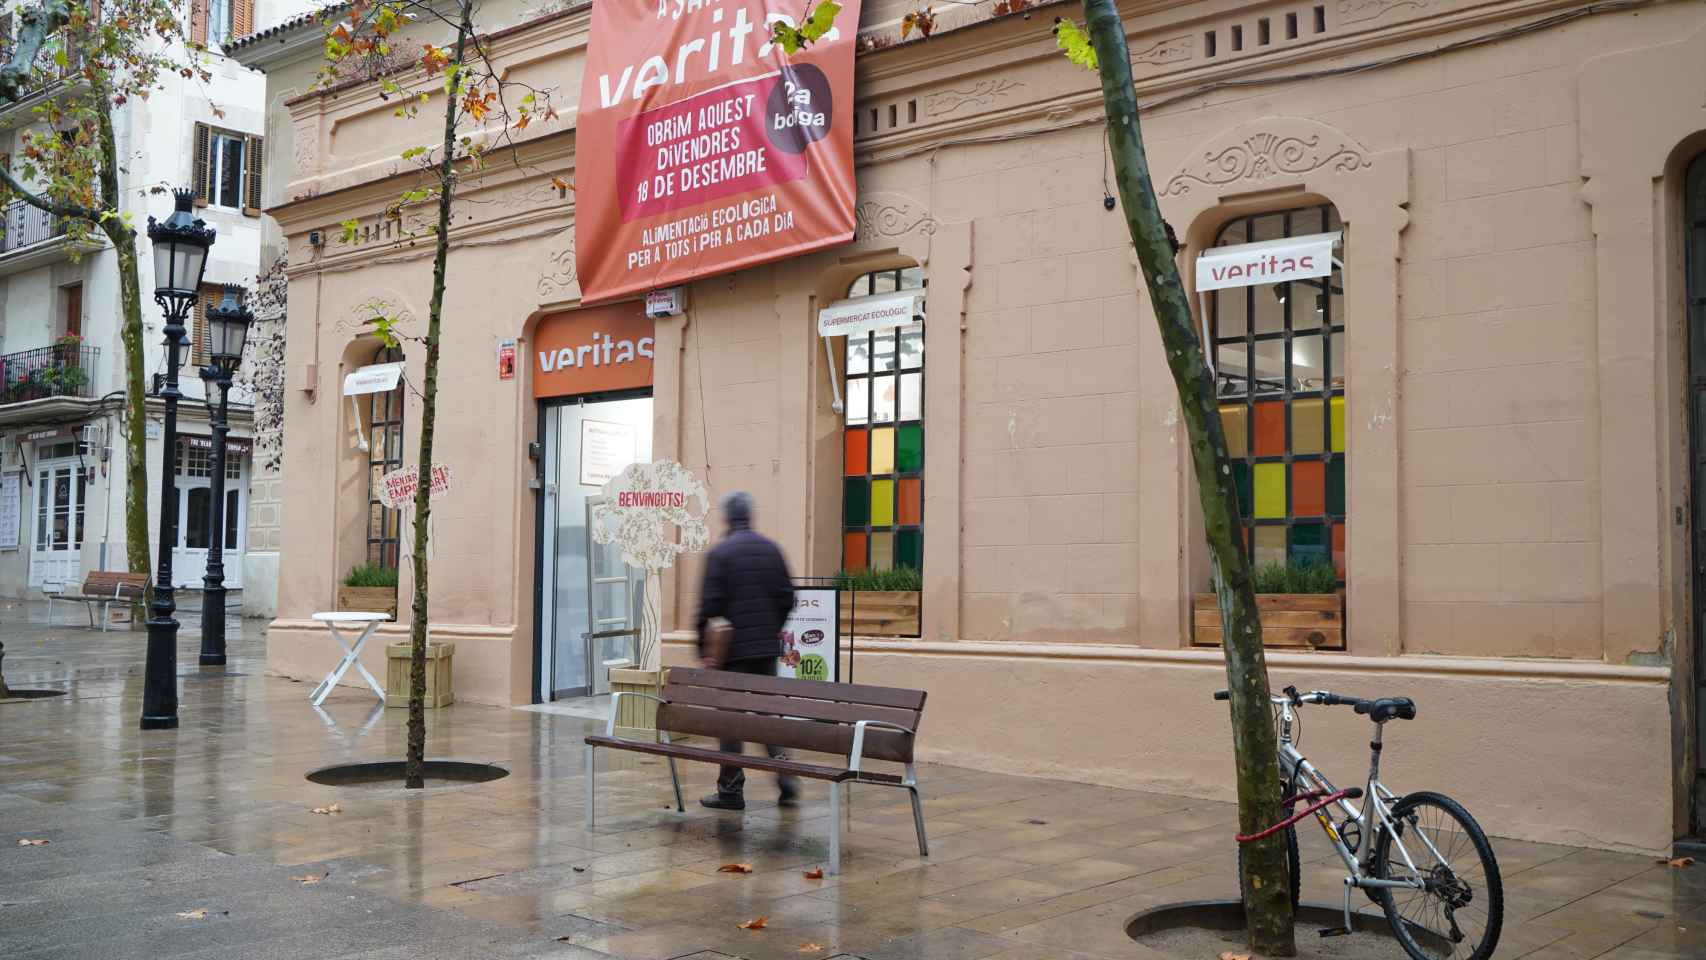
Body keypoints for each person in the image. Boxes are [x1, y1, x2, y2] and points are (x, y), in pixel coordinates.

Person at [694, 491, 799, 810]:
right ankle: (786, 777)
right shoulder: (771, 550)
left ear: (727, 517)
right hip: (766, 650)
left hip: (733, 654)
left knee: (730, 721)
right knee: (768, 716)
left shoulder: (720, 554)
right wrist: (773, 630)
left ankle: (731, 789)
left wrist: (704, 647)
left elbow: (708, 606)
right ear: (750, 516)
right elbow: (788, 597)